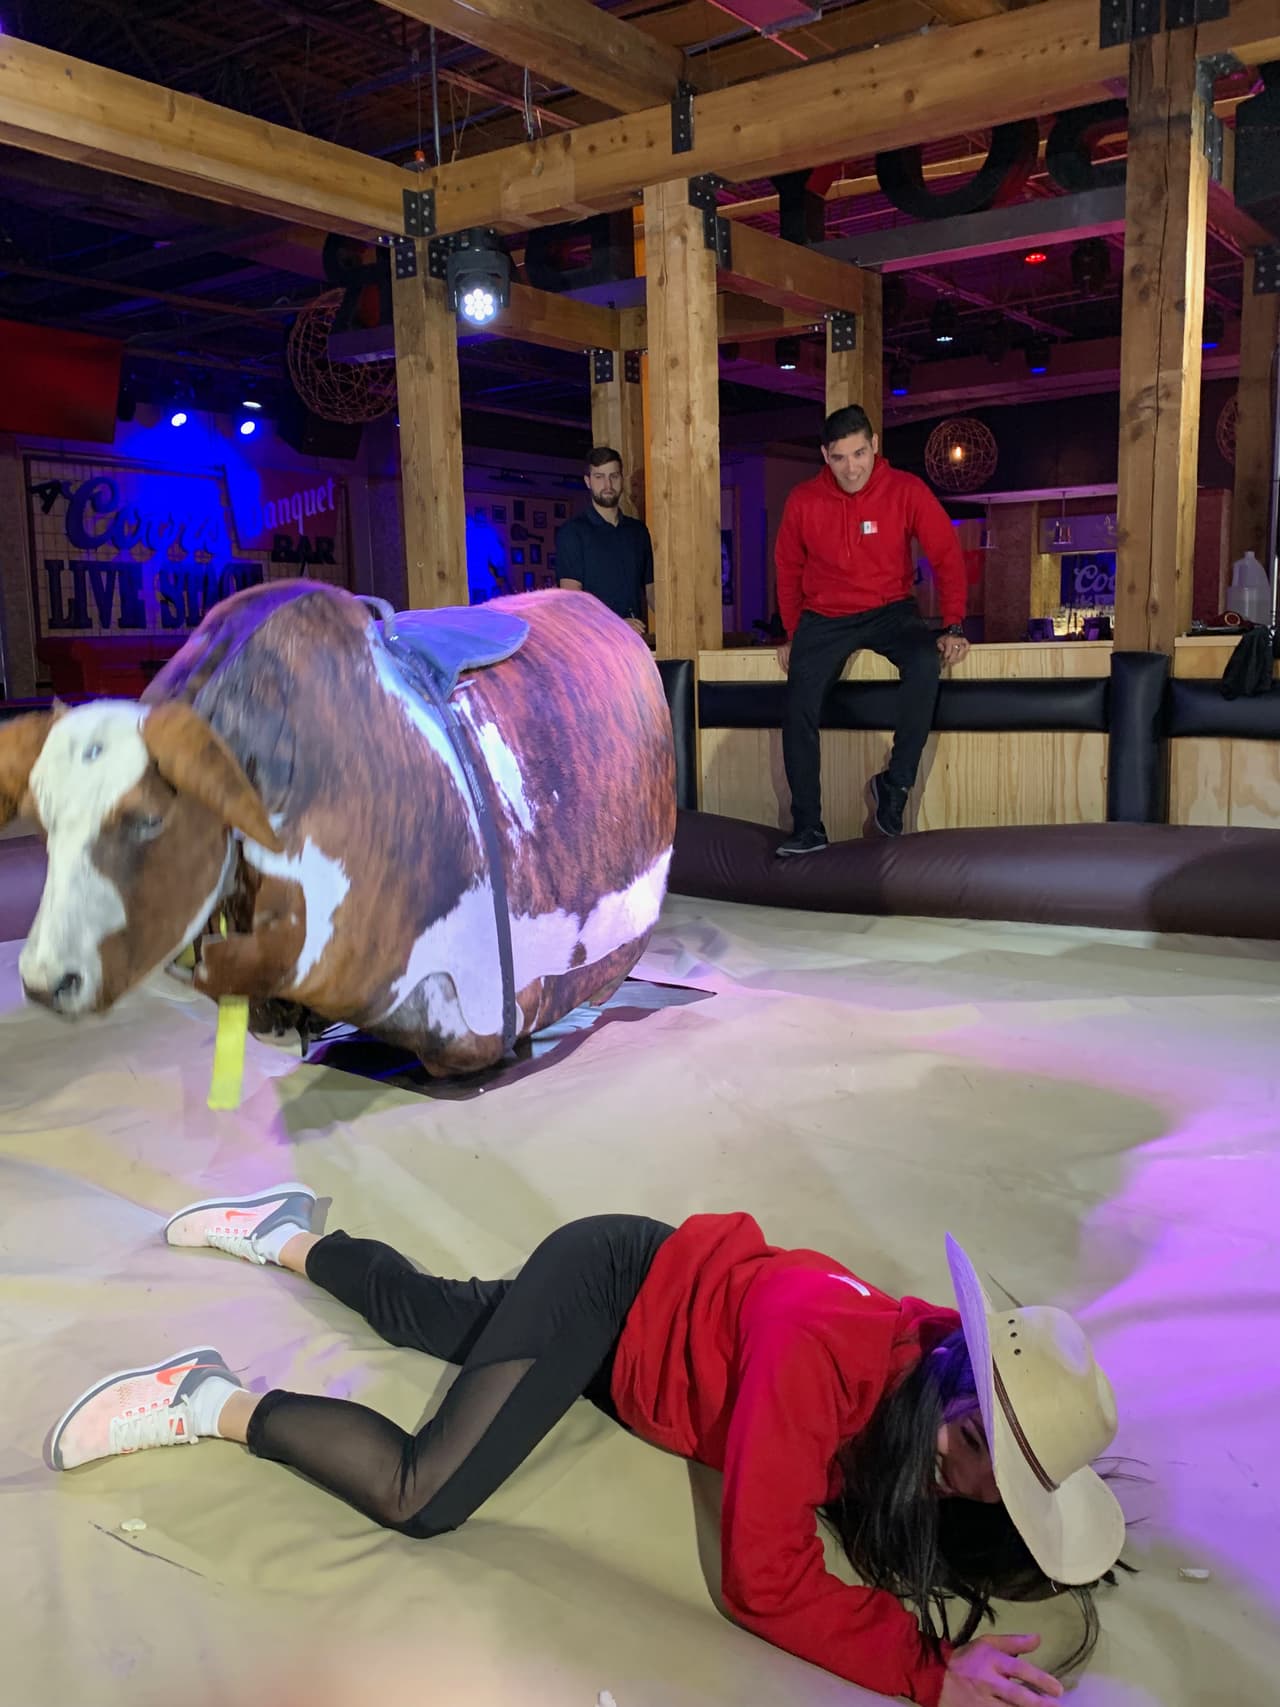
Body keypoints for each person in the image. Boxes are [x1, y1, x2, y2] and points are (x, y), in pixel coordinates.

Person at [50, 1185, 1127, 1707]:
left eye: (1013, 1483)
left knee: (429, 1315)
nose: (974, 1482)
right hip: (612, 1289)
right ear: (953, 1381)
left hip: (650, 1342)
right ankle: (208, 1395)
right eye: (978, 1443)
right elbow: (762, 1576)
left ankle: (289, 1231)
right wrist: (926, 1671)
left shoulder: (930, 1401)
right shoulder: (826, 1354)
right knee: (421, 1493)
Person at [774, 405, 971, 855]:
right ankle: (808, 827)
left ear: (875, 445)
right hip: (824, 617)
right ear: (825, 455)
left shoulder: (906, 489)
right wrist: (791, 632)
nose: (851, 467)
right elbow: (787, 567)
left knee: (925, 662)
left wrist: (954, 623)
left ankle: (894, 788)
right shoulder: (804, 500)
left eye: (859, 453)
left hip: (891, 610)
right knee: (798, 702)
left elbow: (946, 555)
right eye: (840, 457)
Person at [556, 446, 654, 635]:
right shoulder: (573, 532)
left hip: (635, 641)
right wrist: (616, 625)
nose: (608, 485)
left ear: (622, 480)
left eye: (614, 476)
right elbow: (572, 602)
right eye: (599, 477)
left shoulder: (638, 531)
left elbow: (653, 591)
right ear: (588, 481)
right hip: (593, 646)